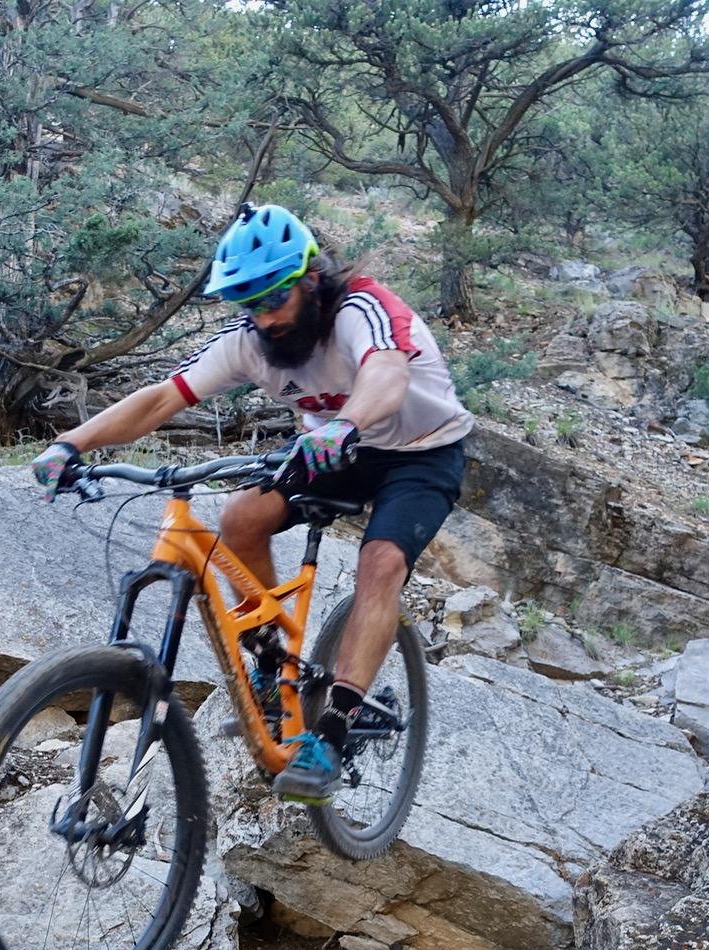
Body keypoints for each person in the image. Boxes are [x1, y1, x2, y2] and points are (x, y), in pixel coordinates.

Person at [30, 203, 473, 804]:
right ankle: (271, 665)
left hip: (419, 451)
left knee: (381, 561)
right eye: (250, 304)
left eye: (273, 299)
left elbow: (387, 375)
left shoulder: (361, 310)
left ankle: (333, 733)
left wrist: (343, 424)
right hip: (335, 448)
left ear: (310, 281)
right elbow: (163, 397)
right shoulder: (250, 342)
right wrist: (70, 443)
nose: (264, 318)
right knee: (240, 518)